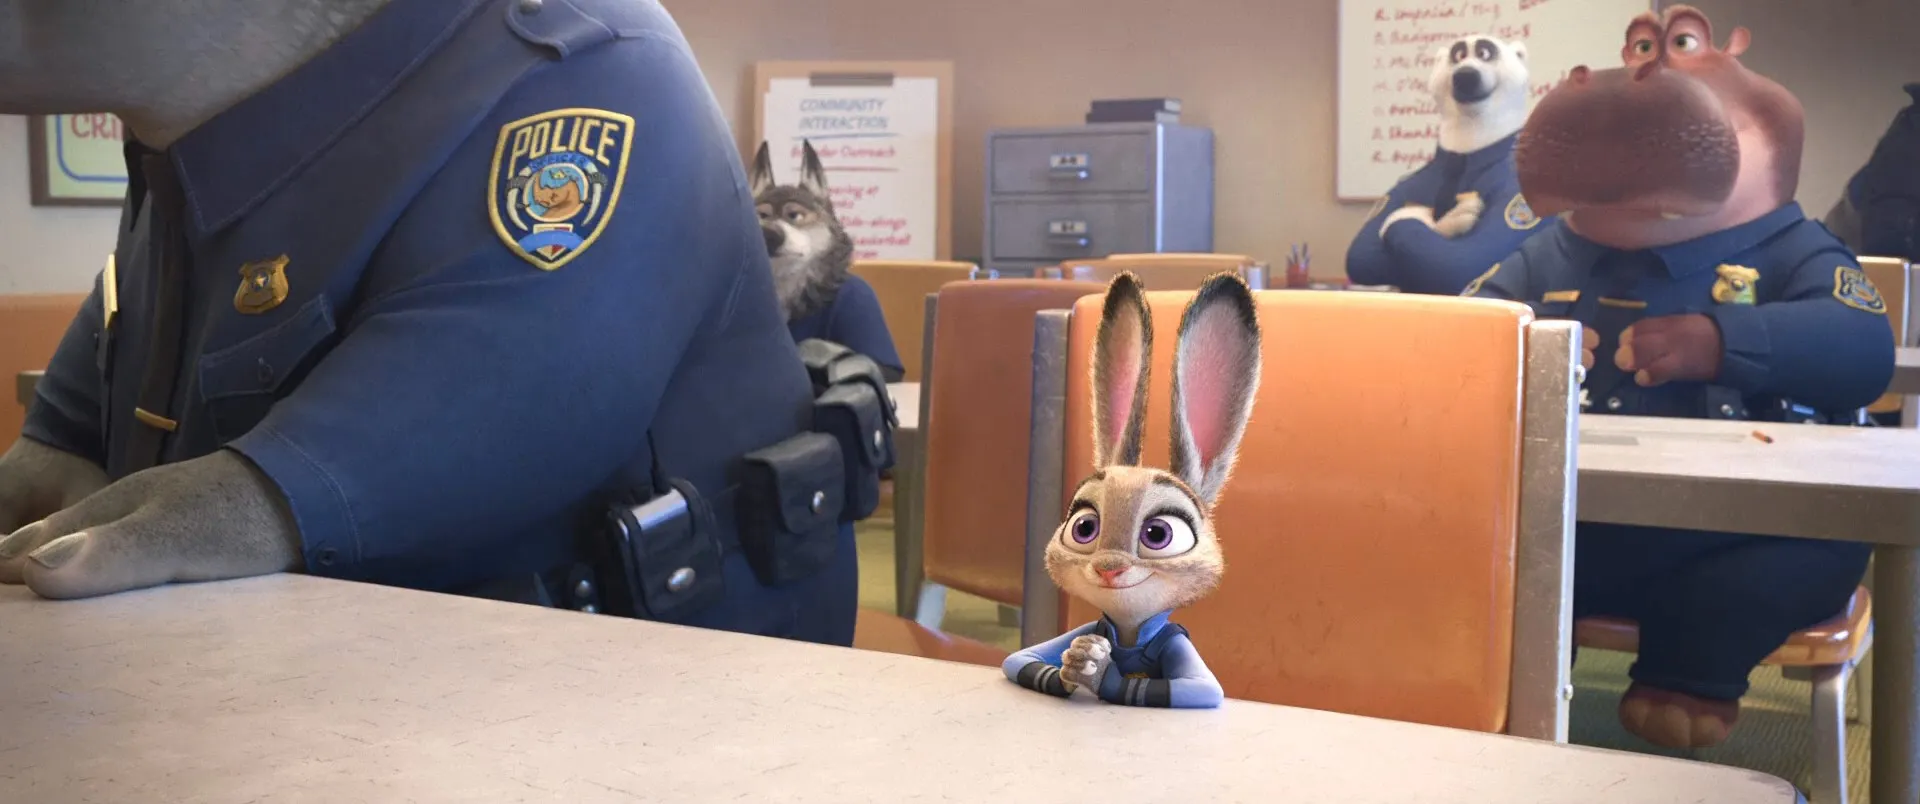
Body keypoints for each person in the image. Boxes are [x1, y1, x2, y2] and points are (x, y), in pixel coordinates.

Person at [0, 0, 860, 646]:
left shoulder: (581, 66)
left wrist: (229, 507)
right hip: (294, 700)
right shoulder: (203, 154)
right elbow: (103, 386)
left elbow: (519, 391)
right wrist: (63, 450)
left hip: (627, 715)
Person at [1470, 5, 1892, 748]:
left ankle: (1689, 673)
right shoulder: (1554, 250)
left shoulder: (1794, 248)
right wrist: (1520, 342)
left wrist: (1727, 342)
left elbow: (1863, 348)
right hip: (1571, 517)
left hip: (1742, 527)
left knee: (1772, 574)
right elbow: (1467, 325)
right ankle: (1517, 684)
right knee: (1485, 559)